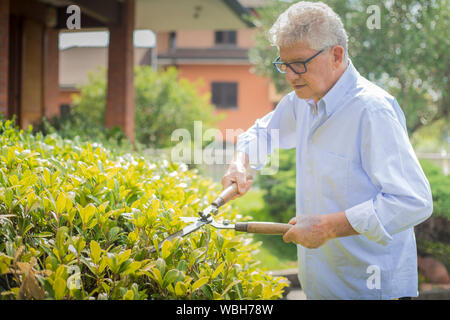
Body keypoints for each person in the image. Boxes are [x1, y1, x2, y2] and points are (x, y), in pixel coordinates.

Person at [221, 1, 433, 299]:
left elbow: (413, 201)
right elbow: (263, 132)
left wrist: (328, 227)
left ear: (336, 55)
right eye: (284, 64)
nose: (290, 75)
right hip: (322, 290)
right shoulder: (301, 102)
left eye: (299, 63)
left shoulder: (372, 110)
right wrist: (240, 163)